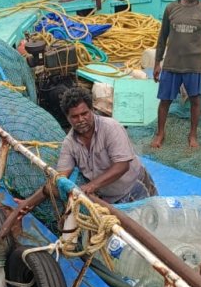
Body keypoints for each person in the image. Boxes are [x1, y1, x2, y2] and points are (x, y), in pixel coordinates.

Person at [18, 86, 156, 214]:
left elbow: (122, 166)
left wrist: (91, 186)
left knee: (149, 227)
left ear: (92, 110)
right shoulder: (69, 143)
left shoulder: (111, 128)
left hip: (135, 187)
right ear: (67, 118)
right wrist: (27, 204)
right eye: (75, 116)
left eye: (84, 113)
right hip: (109, 199)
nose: (81, 119)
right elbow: (60, 178)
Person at [151, 0, 201, 150]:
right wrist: (157, 62)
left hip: (194, 66)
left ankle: (193, 134)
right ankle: (160, 133)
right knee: (165, 100)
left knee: (195, 100)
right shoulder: (171, 9)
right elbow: (162, 37)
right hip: (171, 64)